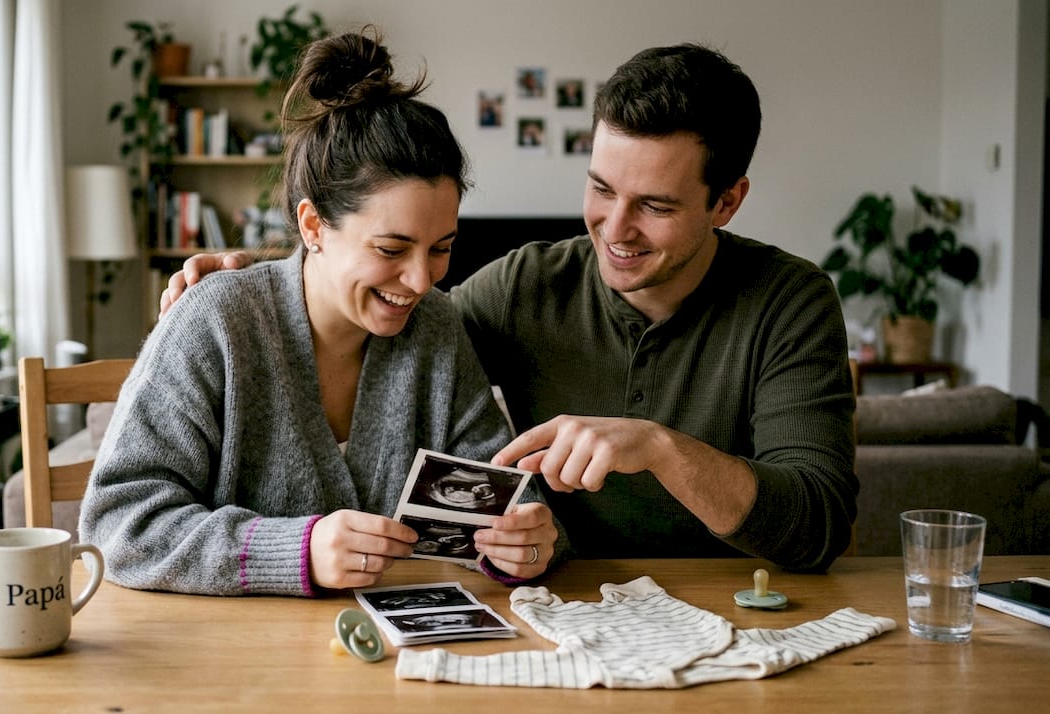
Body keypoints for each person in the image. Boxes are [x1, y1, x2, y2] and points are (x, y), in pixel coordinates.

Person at [159, 44, 856, 572]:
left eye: (655, 206)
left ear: (727, 201)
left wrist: (662, 450)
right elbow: (398, 309)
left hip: (740, 616)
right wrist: (268, 281)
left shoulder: (790, 303)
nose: (614, 229)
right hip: (576, 613)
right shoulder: (523, 288)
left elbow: (818, 528)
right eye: (601, 189)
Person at [79, 28, 562, 598]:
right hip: (228, 666)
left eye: (441, 248)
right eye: (390, 249)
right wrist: (296, 550)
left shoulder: (435, 328)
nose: (422, 280)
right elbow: (119, 525)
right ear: (314, 227)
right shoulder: (217, 320)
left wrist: (523, 544)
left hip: (389, 664)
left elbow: (502, 498)